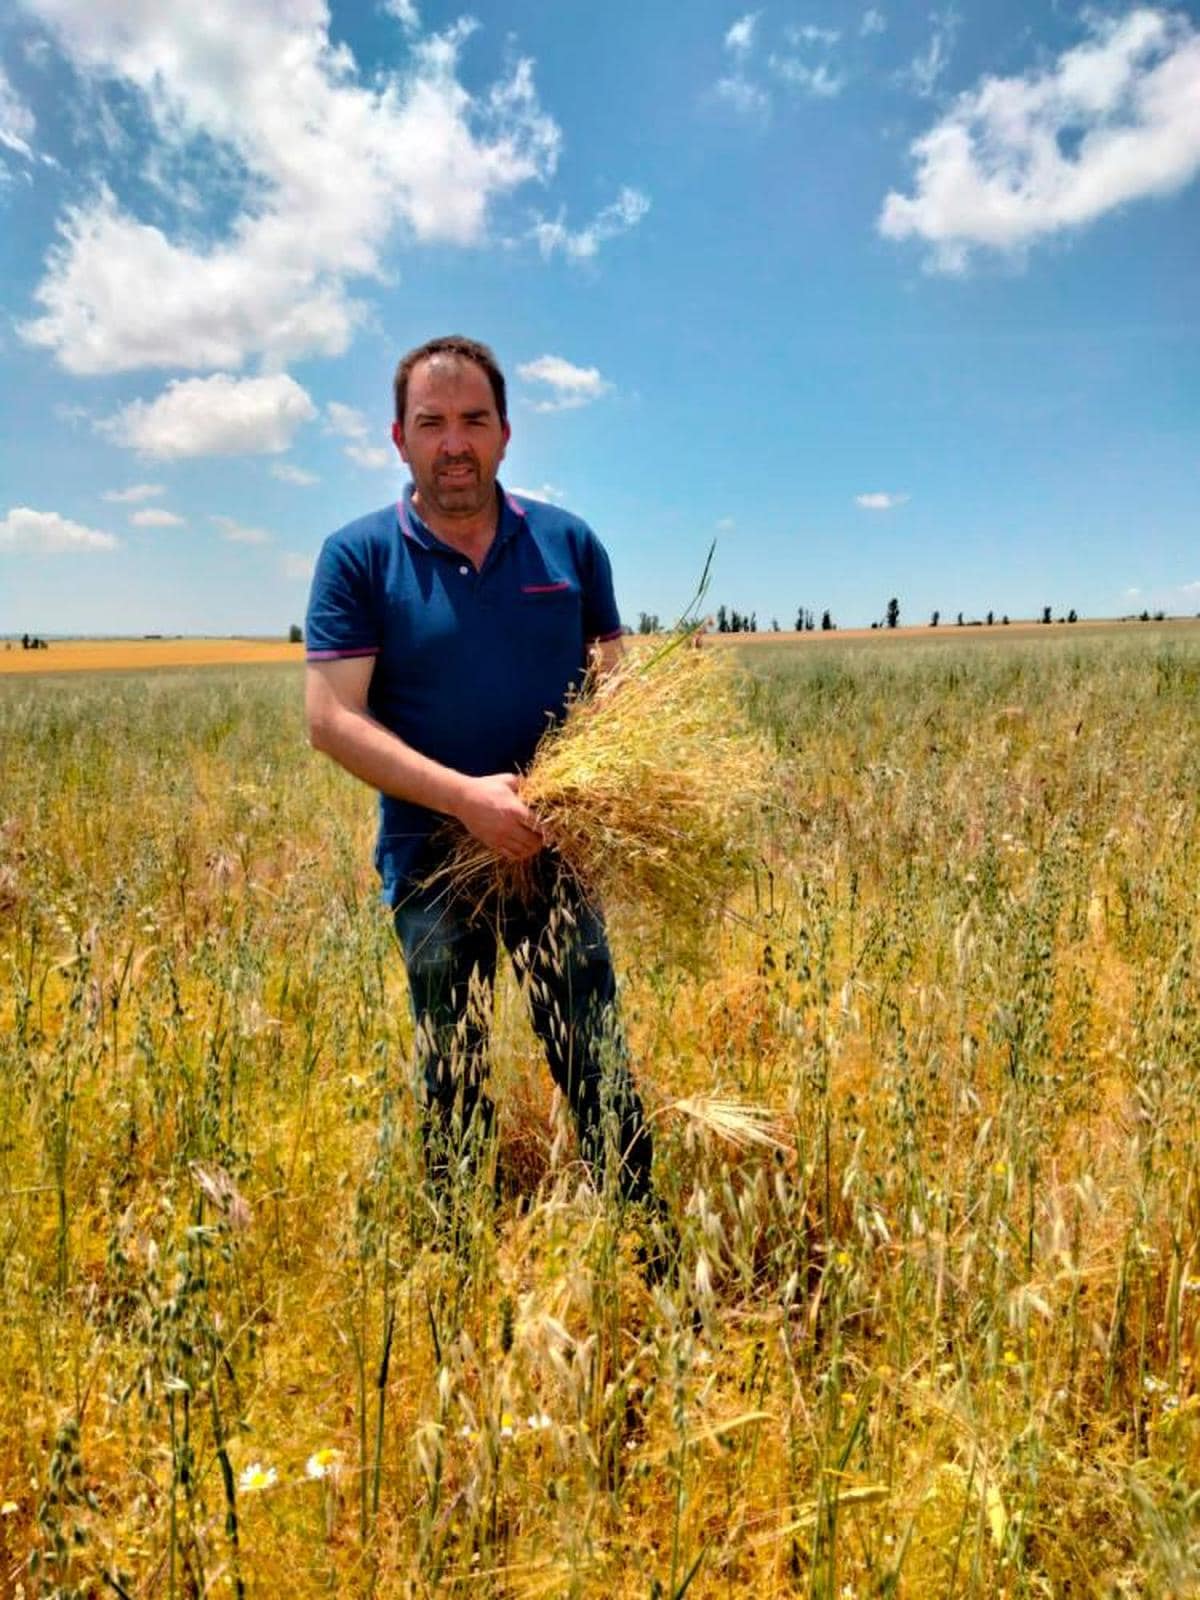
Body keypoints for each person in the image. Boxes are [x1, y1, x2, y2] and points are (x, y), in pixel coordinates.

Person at [304, 335, 653, 1220]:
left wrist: (577, 786)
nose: (453, 442)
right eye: (432, 423)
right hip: (432, 862)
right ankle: (458, 1264)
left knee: (594, 1055)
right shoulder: (358, 557)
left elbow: (616, 685)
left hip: (554, 852)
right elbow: (331, 718)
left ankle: (649, 1241)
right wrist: (466, 799)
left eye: (473, 420)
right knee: (451, 1070)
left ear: (505, 434)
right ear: (398, 438)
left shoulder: (570, 545)